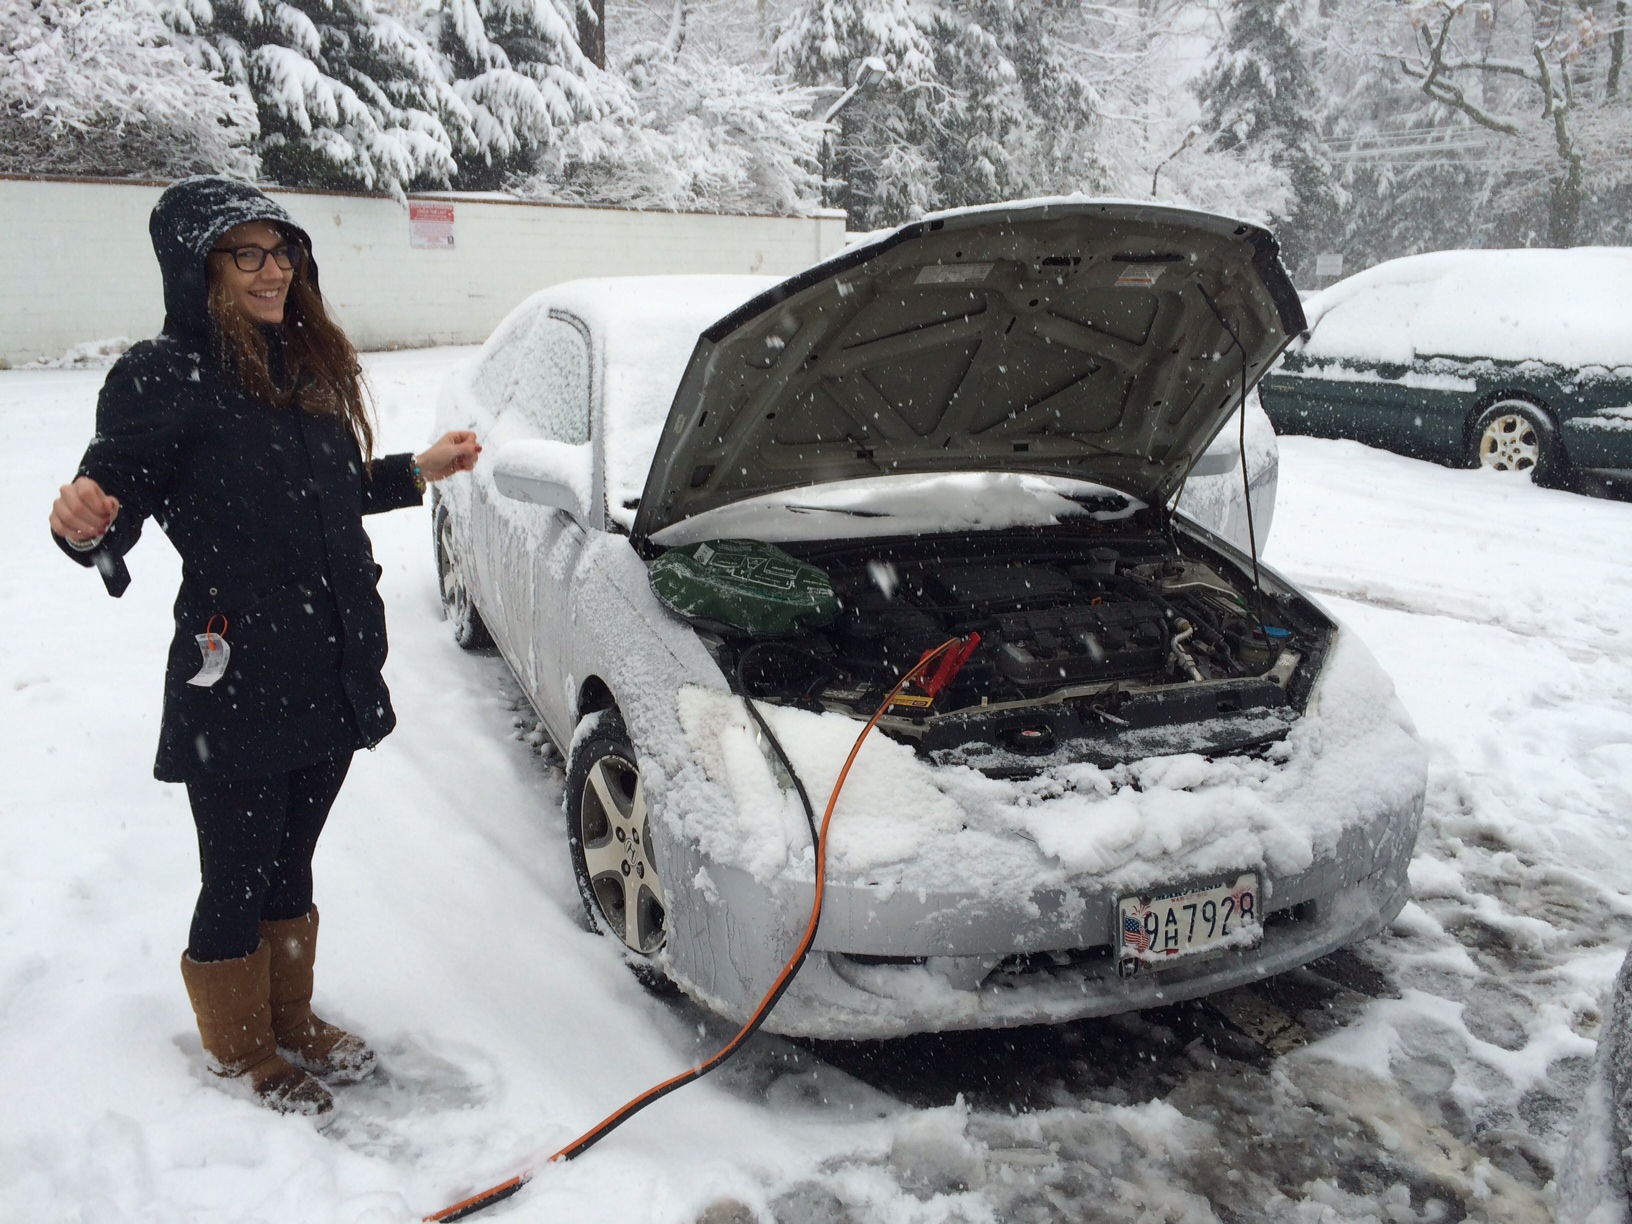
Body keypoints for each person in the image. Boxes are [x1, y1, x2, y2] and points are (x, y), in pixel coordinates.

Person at [47, 176, 481, 1118]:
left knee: (294, 853)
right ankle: (242, 1048)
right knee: (237, 866)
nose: (271, 270)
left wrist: (417, 470)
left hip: (332, 656)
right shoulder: (163, 375)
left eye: (280, 251)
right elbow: (106, 500)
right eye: (244, 252)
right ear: (197, 268)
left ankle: (291, 1013)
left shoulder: (302, 362)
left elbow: (324, 491)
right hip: (237, 668)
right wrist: (82, 523)